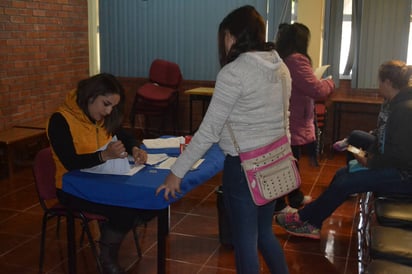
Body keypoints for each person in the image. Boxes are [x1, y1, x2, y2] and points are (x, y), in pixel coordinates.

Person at [156, 5, 290, 274]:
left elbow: (208, 131)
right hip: (275, 162)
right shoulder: (280, 66)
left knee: (245, 242)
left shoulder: (234, 72)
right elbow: (284, 118)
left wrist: (177, 172)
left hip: (243, 169)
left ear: (231, 35)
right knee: (264, 233)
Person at [275, 60, 412, 240]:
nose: (378, 86)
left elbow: (402, 157)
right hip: (396, 169)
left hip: (404, 177)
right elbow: (387, 143)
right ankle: (311, 221)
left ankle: (305, 219)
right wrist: (368, 156)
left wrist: (370, 161)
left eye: (379, 82)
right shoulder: (397, 104)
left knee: (345, 183)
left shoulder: (404, 110)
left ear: (388, 83)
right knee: (342, 174)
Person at [47, 73, 154, 274]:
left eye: (113, 106)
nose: (108, 111)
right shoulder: (60, 120)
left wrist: (135, 148)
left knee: (148, 201)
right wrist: (103, 155)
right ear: (90, 96)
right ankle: (107, 257)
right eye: (106, 104)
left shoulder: (102, 117)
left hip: (103, 181)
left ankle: (111, 231)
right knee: (125, 210)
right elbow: (70, 163)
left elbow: (124, 135)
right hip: (72, 188)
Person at [273, 22, 335, 214]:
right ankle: (279, 205)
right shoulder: (296, 60)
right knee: (286, 163)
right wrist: (329, 83)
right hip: (292, 119)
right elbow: (316, 90)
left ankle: (295, 197)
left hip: (287, 117)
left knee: (291, 161)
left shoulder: (282, 58)